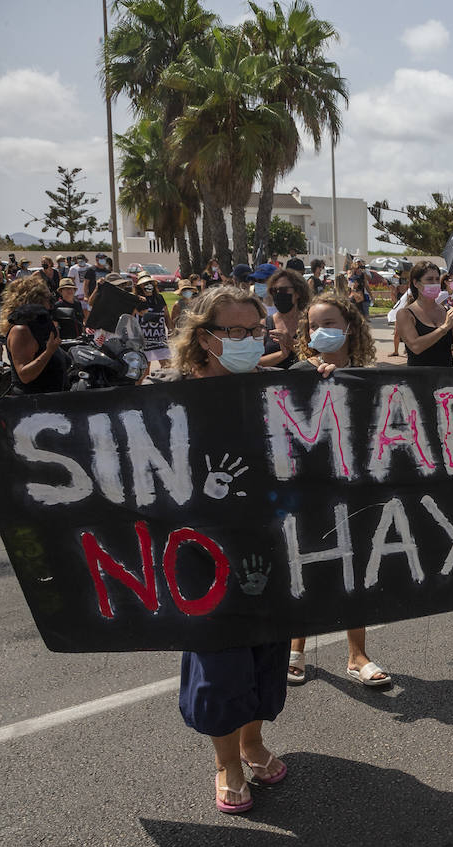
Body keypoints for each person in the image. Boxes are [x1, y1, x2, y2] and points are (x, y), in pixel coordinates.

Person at [154, 285, 290, 813]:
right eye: (233, 331)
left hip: (268, 550)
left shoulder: (281, 391)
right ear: (205, 337)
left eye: (254, 331)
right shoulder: (167, 392)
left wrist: (329, 384)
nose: (246, 340)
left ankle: (252, 743)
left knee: (264, 654)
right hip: (200, 556)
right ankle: (226, 762)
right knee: (221, 663)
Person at [285, 292, 394, 687]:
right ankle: (295, 648)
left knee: (354, 565)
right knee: (306, 563)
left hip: (354, 485)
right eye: (314, 326)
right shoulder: (298, 370)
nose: (321, 332)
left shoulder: (367, 374)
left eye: (329, 324)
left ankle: (357, 655)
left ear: (350, 327)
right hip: (308, 486)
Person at [0, 274, 69, 395]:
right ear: (36, 300)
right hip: (32, 405)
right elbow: (24, 375)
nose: (50, 305)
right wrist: (49, 352)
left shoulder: (39, 327)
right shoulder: (21, 330)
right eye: (48, 299)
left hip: (51, 401)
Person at [396, 259, 453, 368]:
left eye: (436, 279)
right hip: (420, 379)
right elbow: (416, 347)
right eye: (429, 279)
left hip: (446, 378)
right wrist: (444, 328)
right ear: (416, 283)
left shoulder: (446, 311)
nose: (434, 283)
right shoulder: (405, 314)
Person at [259, 267, 309, 369]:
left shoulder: (309, 322)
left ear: (298, 293)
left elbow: (318, 357)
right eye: (274, 291)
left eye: (283, 290)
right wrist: (282, 355)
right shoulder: (265, 323)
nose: (278, 294)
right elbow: (255, 362)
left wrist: (291, 343)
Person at [135, 274, 173, 367]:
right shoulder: (136, 299)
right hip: (144, 341)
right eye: (145, 283)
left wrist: (171, 330)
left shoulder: (159, 298)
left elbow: (167, 315)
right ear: (140, 286)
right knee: (144, 371)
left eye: (150, 283)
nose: (148, 285)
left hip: (159, 338)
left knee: (167, 367)